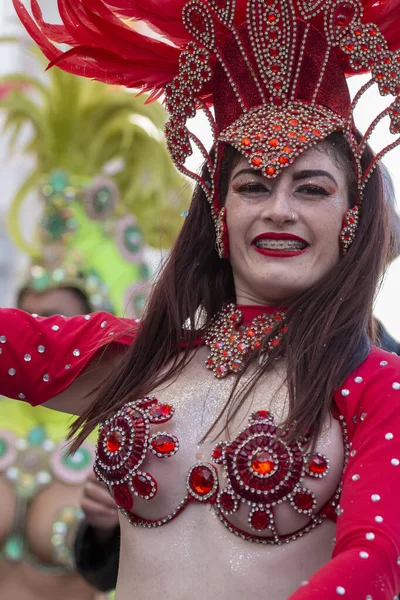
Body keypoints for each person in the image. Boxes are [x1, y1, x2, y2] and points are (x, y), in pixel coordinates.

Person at [2, 0, 400, 598]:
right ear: (219, 213)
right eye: (252, 186)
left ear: (351, 215)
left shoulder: (375, 384)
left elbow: (374, 561)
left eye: (311, 187)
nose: (278, 209)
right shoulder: (143, 359)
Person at [0, 51, 188, 600]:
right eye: (29, 314)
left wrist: (103, 527)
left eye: (59, 317)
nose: (43, 332)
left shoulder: (136, 428)